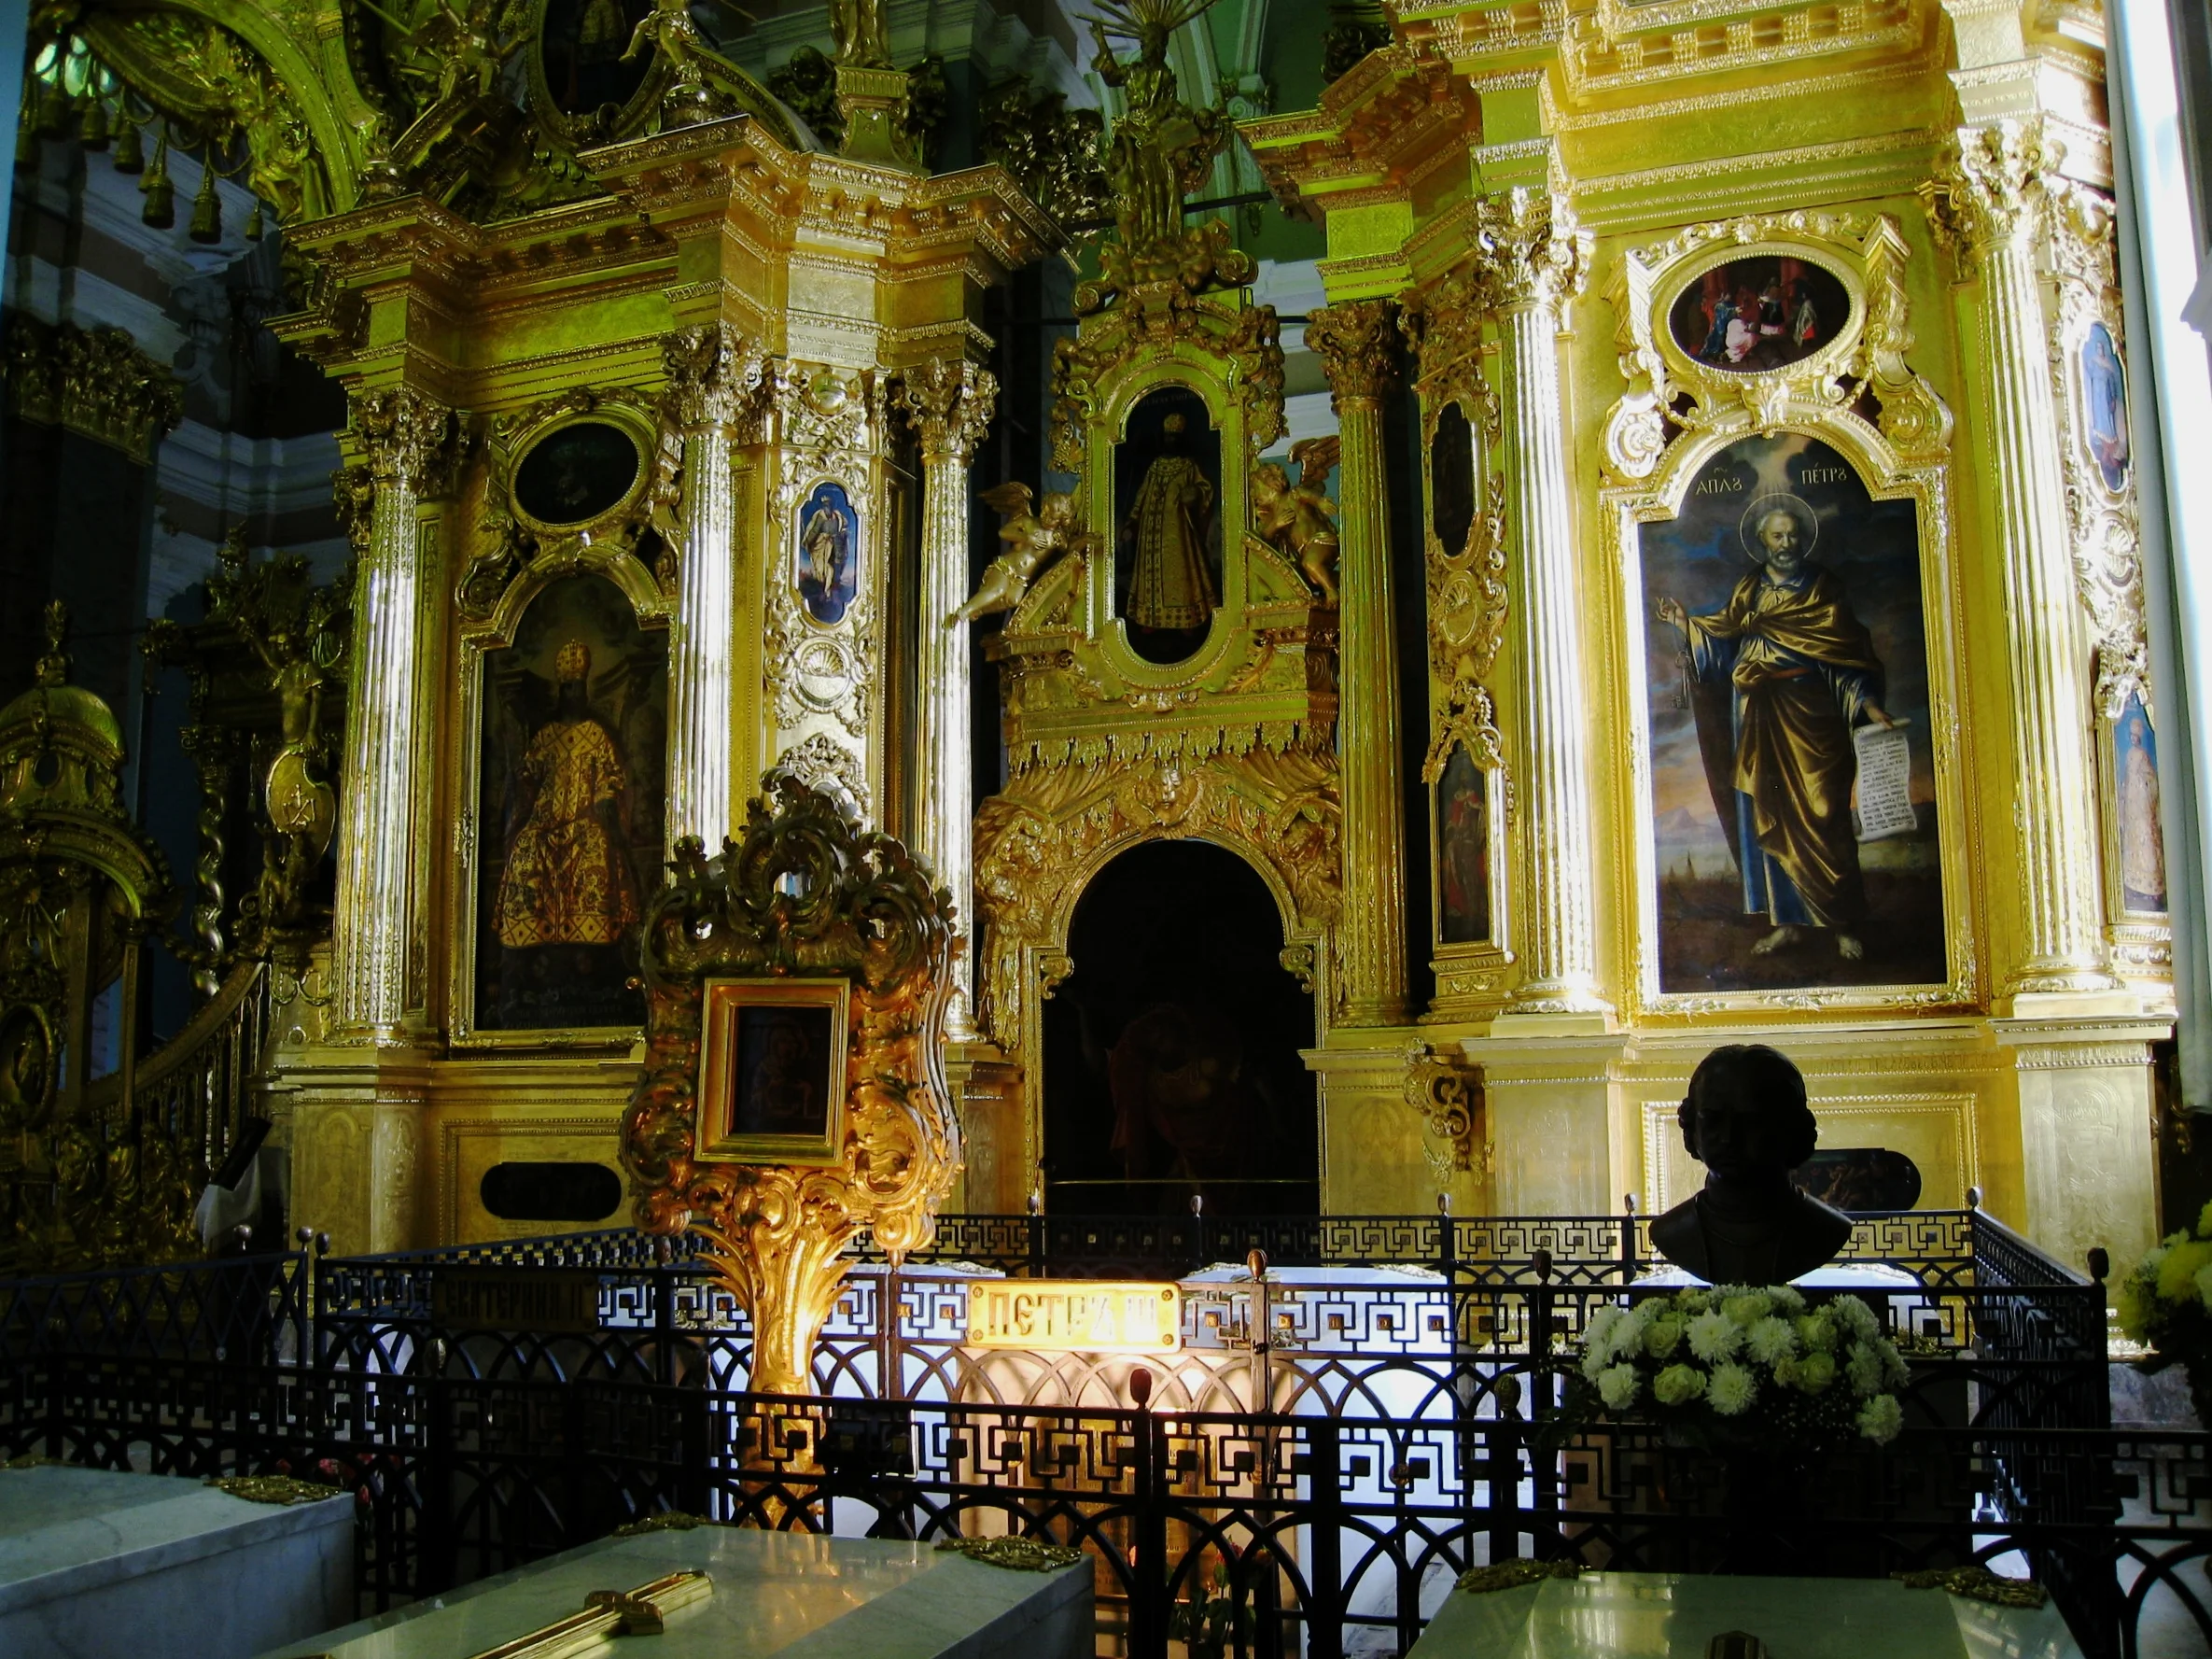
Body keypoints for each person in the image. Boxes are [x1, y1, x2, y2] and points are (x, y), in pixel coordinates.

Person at [1658, 498, 1893, 962]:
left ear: (1802, 538)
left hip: (1814, 716)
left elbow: (1847, 656)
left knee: (1825, 818)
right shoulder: (1750, 590)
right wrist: (1684, 624)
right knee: (1770, 814)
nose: (1786, 544)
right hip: (1761, 716)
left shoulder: (1823, 588)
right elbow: (1722, 645)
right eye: (1776, 537)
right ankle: (1787, 923)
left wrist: (1867, 704)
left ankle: (1841, 923)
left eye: (1791, 535)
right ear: (1762, 542)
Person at [494, 639, 640, 977]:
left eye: (577, 687)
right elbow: (529, 774)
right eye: (567, 687)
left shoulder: (596, 734)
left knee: (596, 849)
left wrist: (605, 797)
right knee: (525, 852)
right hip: (545, 822)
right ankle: (534, 950)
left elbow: (612, 774)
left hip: (584, 820)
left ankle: (590, 949)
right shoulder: (546, 736)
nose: (572, 693)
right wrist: (522, 777)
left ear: (583, 689)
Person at [1649, 1044, 1852, 1284]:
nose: (1728, 1137)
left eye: (1751, 1121)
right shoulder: (1672, 1233)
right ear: (1692, 1127)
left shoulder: (1825, 1229)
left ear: (1790, 1129)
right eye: (1712, 1119)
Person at [1122, 411, 1217, 635]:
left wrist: (1194, 493)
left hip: (1178, 532)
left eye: (1174, 438)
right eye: (1167, 437)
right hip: (1150, 531)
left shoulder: (1188, 466)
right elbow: (1142, 495)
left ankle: (1187, 619)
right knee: (1150, 574)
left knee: (1180, 571)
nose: (1170, 441)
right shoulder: (1155, 467)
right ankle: (1151, 619)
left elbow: (1206, 490)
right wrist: (1133, 520)